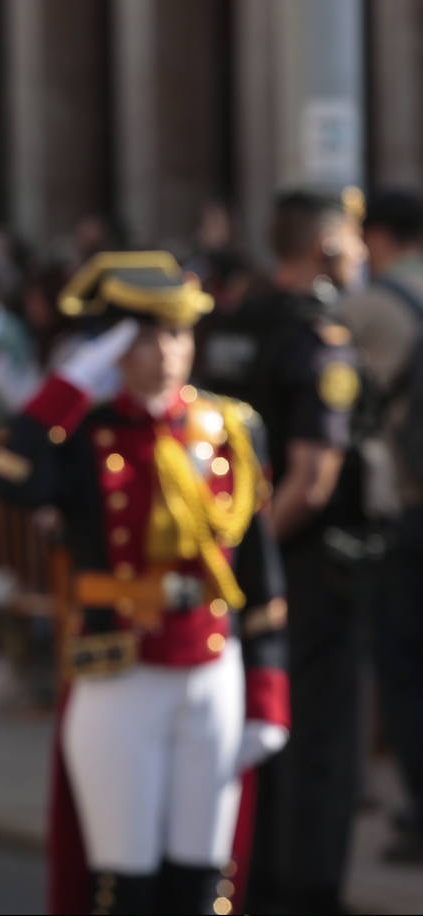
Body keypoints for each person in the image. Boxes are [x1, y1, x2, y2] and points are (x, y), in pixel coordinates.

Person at [0, 252, 290, 914]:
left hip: (211, 667)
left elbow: (260, 569)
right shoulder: (85, 433)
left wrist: (268, 689)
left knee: (205, 881)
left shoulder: (232, 428)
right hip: (119, 671)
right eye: (144, 336)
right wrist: (69, 385)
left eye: (177, 333)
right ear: (114, 347)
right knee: (125, 882)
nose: (166, 352)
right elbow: (9, 478)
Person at [194, 188, 365, 914]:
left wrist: (225, 553)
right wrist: (258, 549)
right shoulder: (316, 336)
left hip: (227, 570)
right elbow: (313, 477)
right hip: (303, 571)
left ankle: (251, 881)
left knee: (254, 730)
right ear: (328, 247)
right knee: (318, 740)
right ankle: (309, 894)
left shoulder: (230, 327)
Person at [340, 187, 423, 864]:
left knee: (402, 663)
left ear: (380, 238)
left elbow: (331, 399)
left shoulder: (371, 308)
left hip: (407, 506)